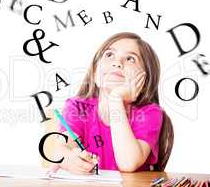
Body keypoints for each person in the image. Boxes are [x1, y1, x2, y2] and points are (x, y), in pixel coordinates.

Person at [50, 32, 174, 174]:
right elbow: (61, 149)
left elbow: (128, 163)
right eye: (109, 55)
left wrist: (116, 99)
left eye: (130, 59)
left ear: (145, 80)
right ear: (95, 73)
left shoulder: (150, 113)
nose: (117, 63)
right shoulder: (77, 107)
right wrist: (67, 157)